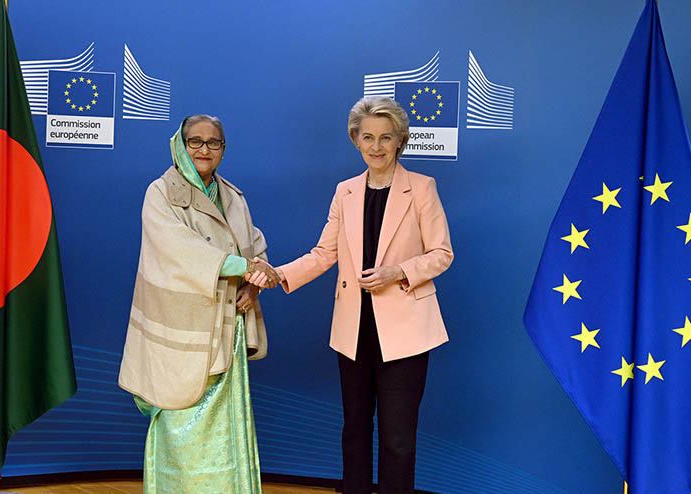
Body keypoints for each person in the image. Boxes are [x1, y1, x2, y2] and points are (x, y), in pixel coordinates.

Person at [250, 96, 454, 493]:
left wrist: (398, 272)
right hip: (354, 330)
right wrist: (279, 274)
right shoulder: (345, 191)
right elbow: (324, 253)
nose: (376, 146)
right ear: (355, 140)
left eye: (386, 137)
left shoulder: (422, 188)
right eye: (368, 137)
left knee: (398, 438)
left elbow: (442, 253)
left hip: (406, 332)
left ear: (400, 140)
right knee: (355, 430)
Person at [118, 114, 277, 494]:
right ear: (180, 145)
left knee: (225, 429)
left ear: (224, 149)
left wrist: (253, 286)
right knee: (180, 421)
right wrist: (243, 267)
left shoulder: (233, 197)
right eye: (196, 141)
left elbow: (254, 247)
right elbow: (179, 252)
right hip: (181, 332)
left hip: (227, 329)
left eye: (213, 142)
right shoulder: (160, 193)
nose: (204, 150)